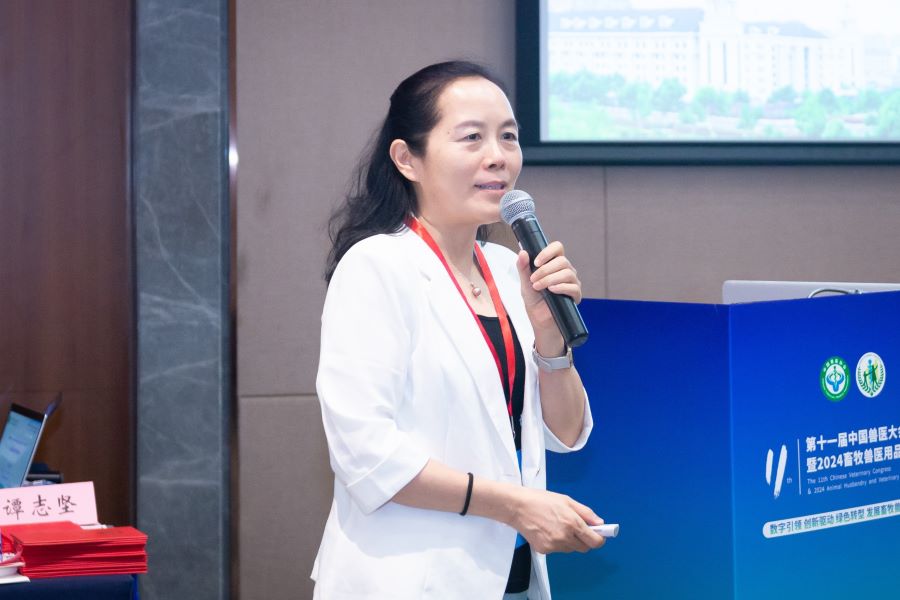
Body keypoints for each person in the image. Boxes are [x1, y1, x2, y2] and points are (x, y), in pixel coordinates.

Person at [313, 60, 605, 600]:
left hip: (513, 580)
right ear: (407, 159)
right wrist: (515, 506)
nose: (498, 156)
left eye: (508, 137)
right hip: (409, 580)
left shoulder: (508, 268)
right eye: (472, 137)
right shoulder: (376, 266)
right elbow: (366, 454)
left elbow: (565, 434)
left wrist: (550, 340)